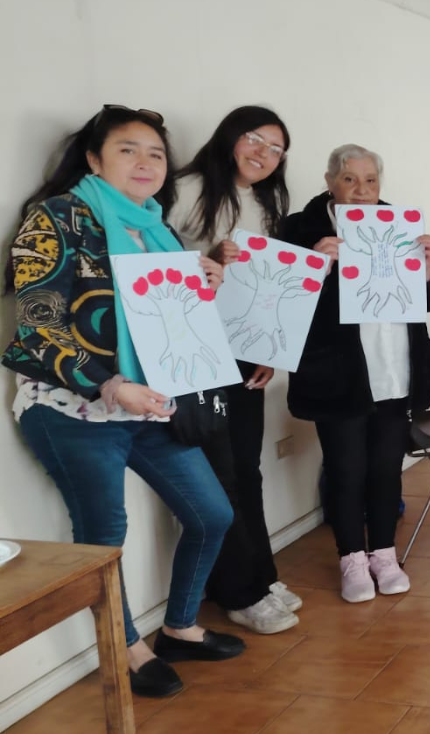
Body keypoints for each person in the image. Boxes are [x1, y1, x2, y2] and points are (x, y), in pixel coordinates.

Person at [3, 106, 244, 698]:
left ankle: (180, 626)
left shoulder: (153, 226)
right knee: (104, 535)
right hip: (73, 408)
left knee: (213, 514)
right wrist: (108, 384)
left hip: (149, 404)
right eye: (128, 150)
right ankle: (126, 648)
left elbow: (163, 318)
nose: (145, 163)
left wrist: (201, 284)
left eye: (156, 153)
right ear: (93, 158)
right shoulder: (56, 218)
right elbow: (36, 325)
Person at [278, 144, 430, 603]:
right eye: (349, 180)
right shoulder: (300, 228)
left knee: (385, 469)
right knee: (346, 468)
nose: (361, 191)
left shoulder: (399, 226)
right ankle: (351, 558)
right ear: (330, 181)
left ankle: (384, 554)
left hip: (395, 367)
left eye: (370, 181)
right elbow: (280, 300)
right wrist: (315, 264)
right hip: (338, 374)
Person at [167, 105, 300, 634]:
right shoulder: (186, 190)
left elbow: (267, 287)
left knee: (247, 467)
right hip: (196, 352)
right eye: (255, 140)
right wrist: (211, 256)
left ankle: (261, 577)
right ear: (229, 137)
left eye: (276, 148)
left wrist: (269, 350)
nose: (263, 154)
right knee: (219, 476)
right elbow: (162, 272)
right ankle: (236, 592)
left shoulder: (265, 201)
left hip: (245, 350)